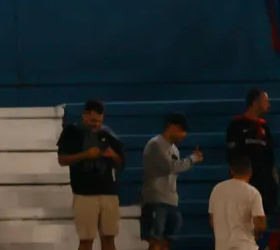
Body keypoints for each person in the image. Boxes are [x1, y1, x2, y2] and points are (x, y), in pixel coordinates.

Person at [59, 99, 126, 250]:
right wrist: (85, 155)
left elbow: (121, 161)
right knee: (86, 240)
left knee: (109, 238)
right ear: (84, 115)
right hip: (84, 194)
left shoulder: (108, 133)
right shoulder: (72, 131)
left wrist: (113, 155)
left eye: (99, 121)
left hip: (109, 192)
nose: (96, 125)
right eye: (93, 120)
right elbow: (62, 160)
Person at [141, 112, 203, 250]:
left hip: (171, 200)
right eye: (182, 130)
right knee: (155, 240)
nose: (184, 135)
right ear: (171, 126)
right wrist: (193, 159)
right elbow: (171, 167)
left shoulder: (174, 149)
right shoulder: (155, 144)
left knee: (167, 241)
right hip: (155, 200)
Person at [226, 90, 278, 219]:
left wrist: (273, 182)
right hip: (245, 183)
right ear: (255, 102)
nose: (269, 105)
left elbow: (270, 157)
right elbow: (233, 155)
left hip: (263, 185)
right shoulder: (236, 125)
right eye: (266, 101)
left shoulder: (265, 127)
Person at [209, 156, 267, 250]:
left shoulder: (216, 190)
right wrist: (257, 233)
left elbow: (213, 222)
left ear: (231, 171)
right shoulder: (252, 192)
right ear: (250, 173)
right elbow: (260, 225)